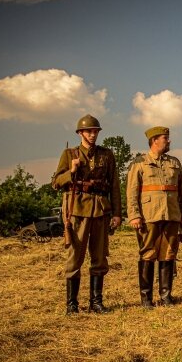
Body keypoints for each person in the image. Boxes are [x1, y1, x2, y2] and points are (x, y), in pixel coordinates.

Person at [52, 114, 122, 314]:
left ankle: (96, 302)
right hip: (78, 211)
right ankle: (72, 304)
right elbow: (56, 182)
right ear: (80, 133)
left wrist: (117, 213)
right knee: (75, 257)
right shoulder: (69, 154)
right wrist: (71, 171)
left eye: (95, 131)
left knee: (99, 257)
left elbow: (114, 186)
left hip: (101, 210)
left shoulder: (107, 155)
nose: (93, 134)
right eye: (89, 131)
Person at [126, 126, 182, 307]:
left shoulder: (175, 163)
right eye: (165, 138)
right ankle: (146, 298)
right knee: (148, 254)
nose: (168, 141)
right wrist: (134, 215)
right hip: (149, 216)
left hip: (171, 214)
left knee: (168, 254)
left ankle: (166, 296)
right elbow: (132, 192)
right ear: (154, 140)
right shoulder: (139, 163)